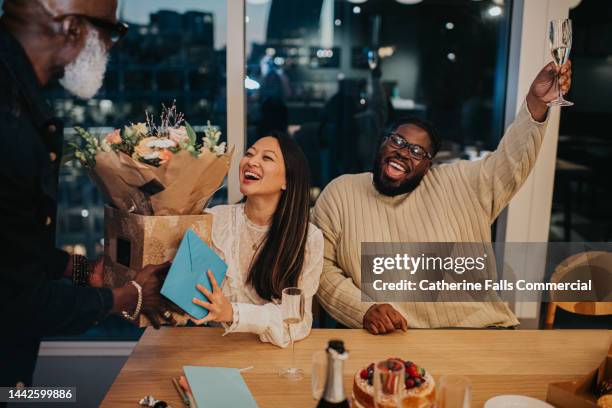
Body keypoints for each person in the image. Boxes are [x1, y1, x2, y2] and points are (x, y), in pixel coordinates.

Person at [313, 61, 572, 334]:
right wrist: (362, 309)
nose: (403, 152)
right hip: (394, 338)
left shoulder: (461, 184)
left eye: (416, 151)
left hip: (481, 331)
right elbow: (321, 268)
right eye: (398, 142)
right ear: (383, 143)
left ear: (428, 166)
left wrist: (536, 102)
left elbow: (510, 161)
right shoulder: (341, 193)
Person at [0, 0, 169, 388]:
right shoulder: (9, 122)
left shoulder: (21, 102)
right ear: (73, 28)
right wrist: (128, 297)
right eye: (110, 32)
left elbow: (11, 254)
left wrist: (81, 271)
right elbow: (17, 302)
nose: (111, 46)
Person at [190, 132, 323, 348]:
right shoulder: (214, 220)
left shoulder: (308, 239)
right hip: (214, 349)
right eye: (249, 154)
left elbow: (297, 322)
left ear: (287, 181)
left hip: (273, 357)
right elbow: (189, 293)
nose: (251, 161)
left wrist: (233, 313)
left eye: (267, 158)